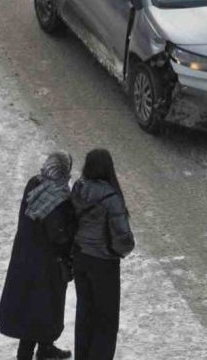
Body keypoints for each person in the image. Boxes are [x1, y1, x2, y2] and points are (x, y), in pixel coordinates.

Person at [0, 152, 76, 360]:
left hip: (27, 257)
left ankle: (45, 347)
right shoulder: (57, 195)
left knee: (36, 308)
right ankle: (26, 355)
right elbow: (59, 234)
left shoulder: (35, 184)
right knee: (39, 310)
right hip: (46, 264)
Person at [71, 149, 135, 360]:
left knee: (85, 313)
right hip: (103, 263)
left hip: (81, 258)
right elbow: (122, 238)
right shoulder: (111, 197)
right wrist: (122, 250)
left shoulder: (79, 189)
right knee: (106, 320)